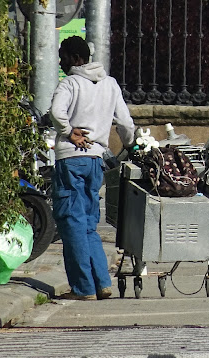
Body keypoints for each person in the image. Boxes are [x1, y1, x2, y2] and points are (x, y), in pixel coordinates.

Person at [50, 36, 135, 301]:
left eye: (63, 57)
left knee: (71, 222)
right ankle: (102, 282)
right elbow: (126, 123)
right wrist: (130, 145)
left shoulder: (70, 83)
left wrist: (68, 131)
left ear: (76, 59)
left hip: (70, 160)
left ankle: (83, 287)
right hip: (96, 161)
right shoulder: (110, 85)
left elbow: (55, 111)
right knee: (88, 224)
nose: (61, 63)